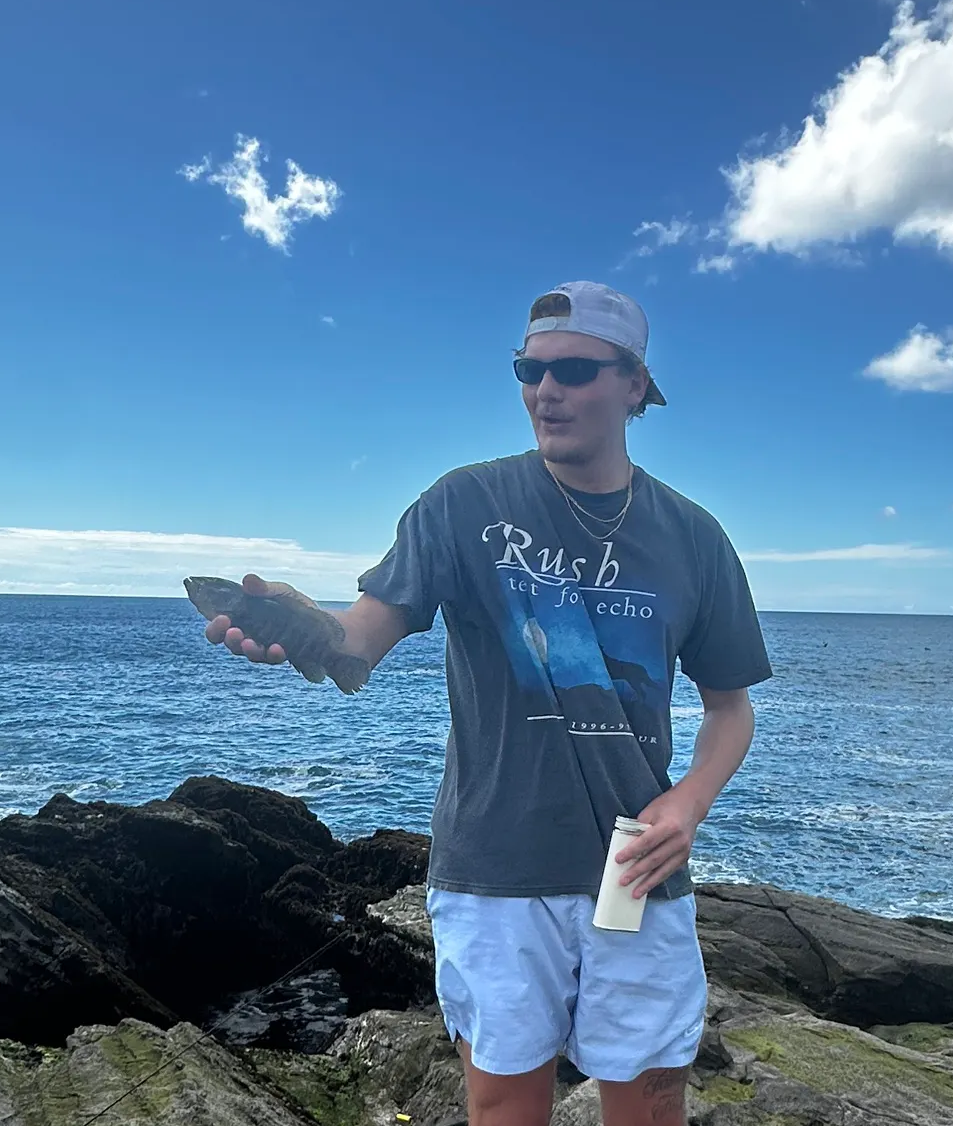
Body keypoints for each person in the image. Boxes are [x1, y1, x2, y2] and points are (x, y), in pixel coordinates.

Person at [204, 281, 771, 1126]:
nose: (547, 391)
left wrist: (687, 804)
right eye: (528, 370)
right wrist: (301, 629)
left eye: (575, 369)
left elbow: (732, 708)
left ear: (635, 385)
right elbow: (356, 650)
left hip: (637, 872)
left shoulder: (693, 536)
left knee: (652, 1104)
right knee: (504, 1105)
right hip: (493, 870)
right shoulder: (461, 505)